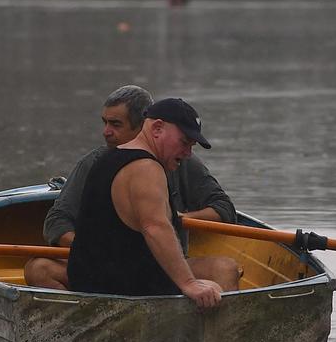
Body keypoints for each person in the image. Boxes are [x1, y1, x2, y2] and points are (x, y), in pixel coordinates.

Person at [24, 85, 236, 291]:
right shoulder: (103, 163)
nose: (106, 132)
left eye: (116, 124)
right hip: (115, 270)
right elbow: (57, 221)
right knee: (39, 268)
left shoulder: (180, 158)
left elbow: (224, 208)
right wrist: (90, 251)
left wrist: (177, 218)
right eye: (105, 123)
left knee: (224, 269)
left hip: (151, 269)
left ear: (145, 125)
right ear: (155, 128)